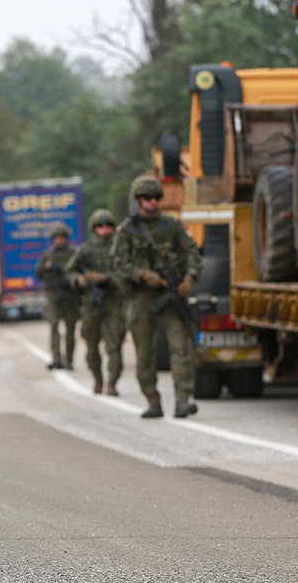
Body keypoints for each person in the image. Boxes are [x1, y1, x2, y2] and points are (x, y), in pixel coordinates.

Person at [113, 175, 202, 419]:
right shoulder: (128, 230)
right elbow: (118, 264)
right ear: (139, 200)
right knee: (144, 353)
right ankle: (153, 400)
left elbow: (192, 252)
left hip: (171, 295)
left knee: (180, 348)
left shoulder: (172, 226)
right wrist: (143, 275)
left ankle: (183, 400)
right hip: (142, 297)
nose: (152, 202)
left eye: (156, 198)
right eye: (147, 198)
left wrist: (189, 278)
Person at [65, 209, 128, 395]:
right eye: (100, 226)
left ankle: (112, 383)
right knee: (91, 346)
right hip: (92, 303)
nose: (104, 229)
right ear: (94, 228)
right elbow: (70, 271)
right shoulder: (86, 250)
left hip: (114, 301)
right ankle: (98, 380)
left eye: (108, 225)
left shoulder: (120, 248)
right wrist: (80, 280)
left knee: (114, 345)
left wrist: (106, 278)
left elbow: (127, 271)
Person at [35, 223, 80, 370]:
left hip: (70, 297)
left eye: (62, 237)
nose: (59, 240)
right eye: (57, 237)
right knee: (54, 327)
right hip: (53, 296)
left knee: (70, 329)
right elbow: (38, 273)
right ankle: (56, 359)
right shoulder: (47, 255)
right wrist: (46, 267)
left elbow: (80, 272)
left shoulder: (74, 253)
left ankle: (69, 359)